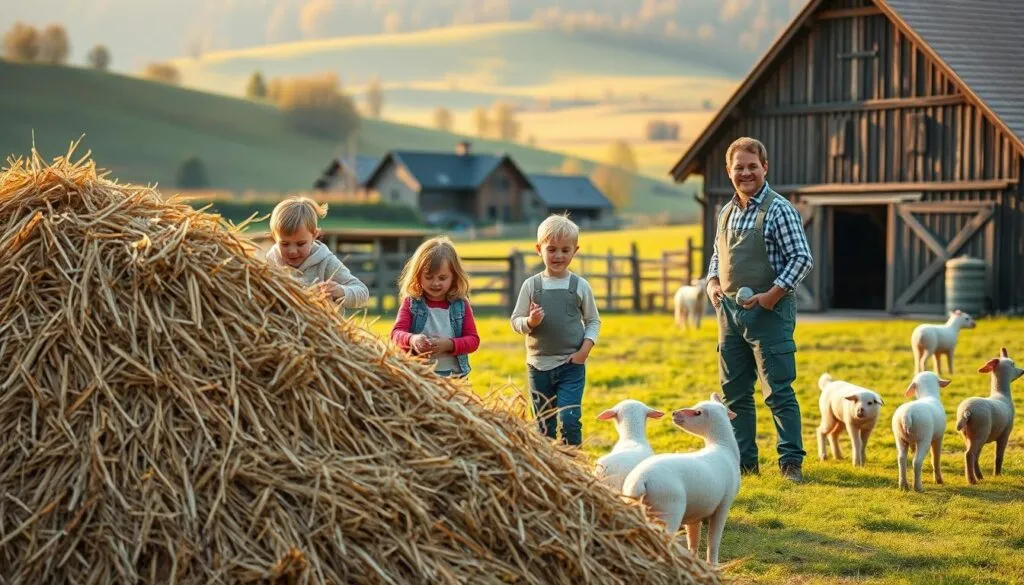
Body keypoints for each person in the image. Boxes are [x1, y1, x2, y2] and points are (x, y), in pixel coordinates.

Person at [704, 136, 814, 483]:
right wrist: (711, 283)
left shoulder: (779, 209)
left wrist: (772, 295)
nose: (746, 173)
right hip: (730, 315)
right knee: (734, 394)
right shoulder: (726, 212)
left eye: (753, 166)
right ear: (729, 170)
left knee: (778, 390)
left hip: (770, 314)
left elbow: (802, 258)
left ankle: (790, 463)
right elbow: (717, 256)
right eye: (740, 167)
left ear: (765, 167)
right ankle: (743, 464)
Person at [510, 214, 601, 447]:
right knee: (543, 426)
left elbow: (593, 321)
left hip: (571, 365)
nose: (558, 256)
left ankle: (574, 466)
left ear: (575, 250)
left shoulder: (580, 286)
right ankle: (551, 471)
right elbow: (515, 321)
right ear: (538, 249)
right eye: (552, 249)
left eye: (565, 250)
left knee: (570, 420)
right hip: (538, 366)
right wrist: (530, 322)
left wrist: (584, 352)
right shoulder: (532, 286)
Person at [390, 236, 479, 378]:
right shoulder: (411, 303)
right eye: (429, 277)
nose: (435, 283)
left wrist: (449, 344)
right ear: (418, 276)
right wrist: (413, 340)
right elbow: (396, 334)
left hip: (455, 378)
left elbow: (473, 341)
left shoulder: (461, 305)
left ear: (454, 277)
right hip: (420, 376)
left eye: (442, 278)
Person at [264, 196, 369, 314]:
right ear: (274, 237)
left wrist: (340, 291)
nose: (292, 251)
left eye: (300, 244)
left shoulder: (326, 262)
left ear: (314, 235)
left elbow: (363, 293)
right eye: (284, 244)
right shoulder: (269, 263)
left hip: (323, 329)